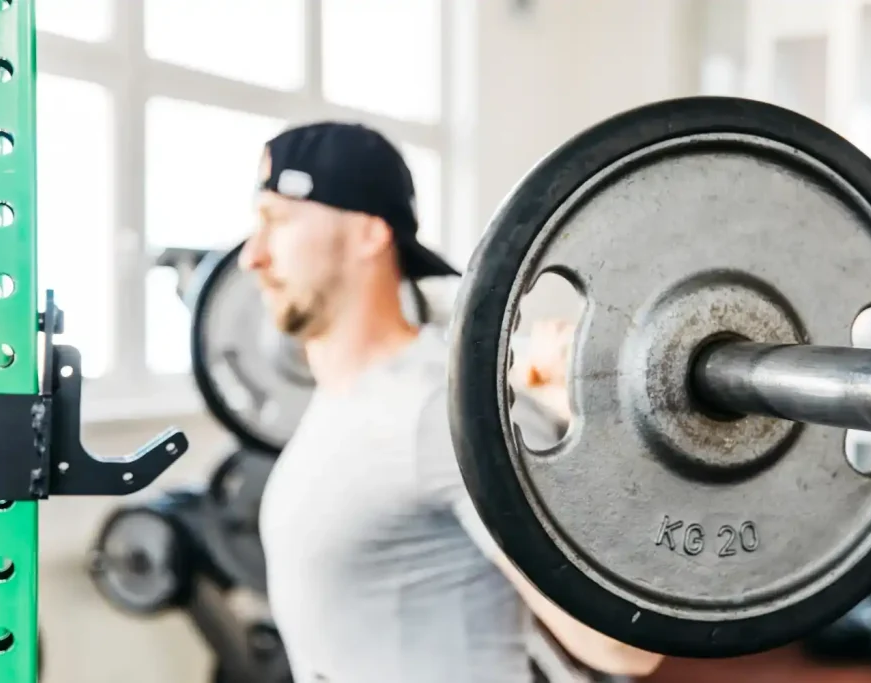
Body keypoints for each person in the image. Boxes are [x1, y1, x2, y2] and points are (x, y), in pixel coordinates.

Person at [241, 121, 663, 683]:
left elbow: (624, 647)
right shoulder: (344, 401)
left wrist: (604, 429)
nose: (252, 256)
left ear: (369, 234)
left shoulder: (436, 414)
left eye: (278, 222)